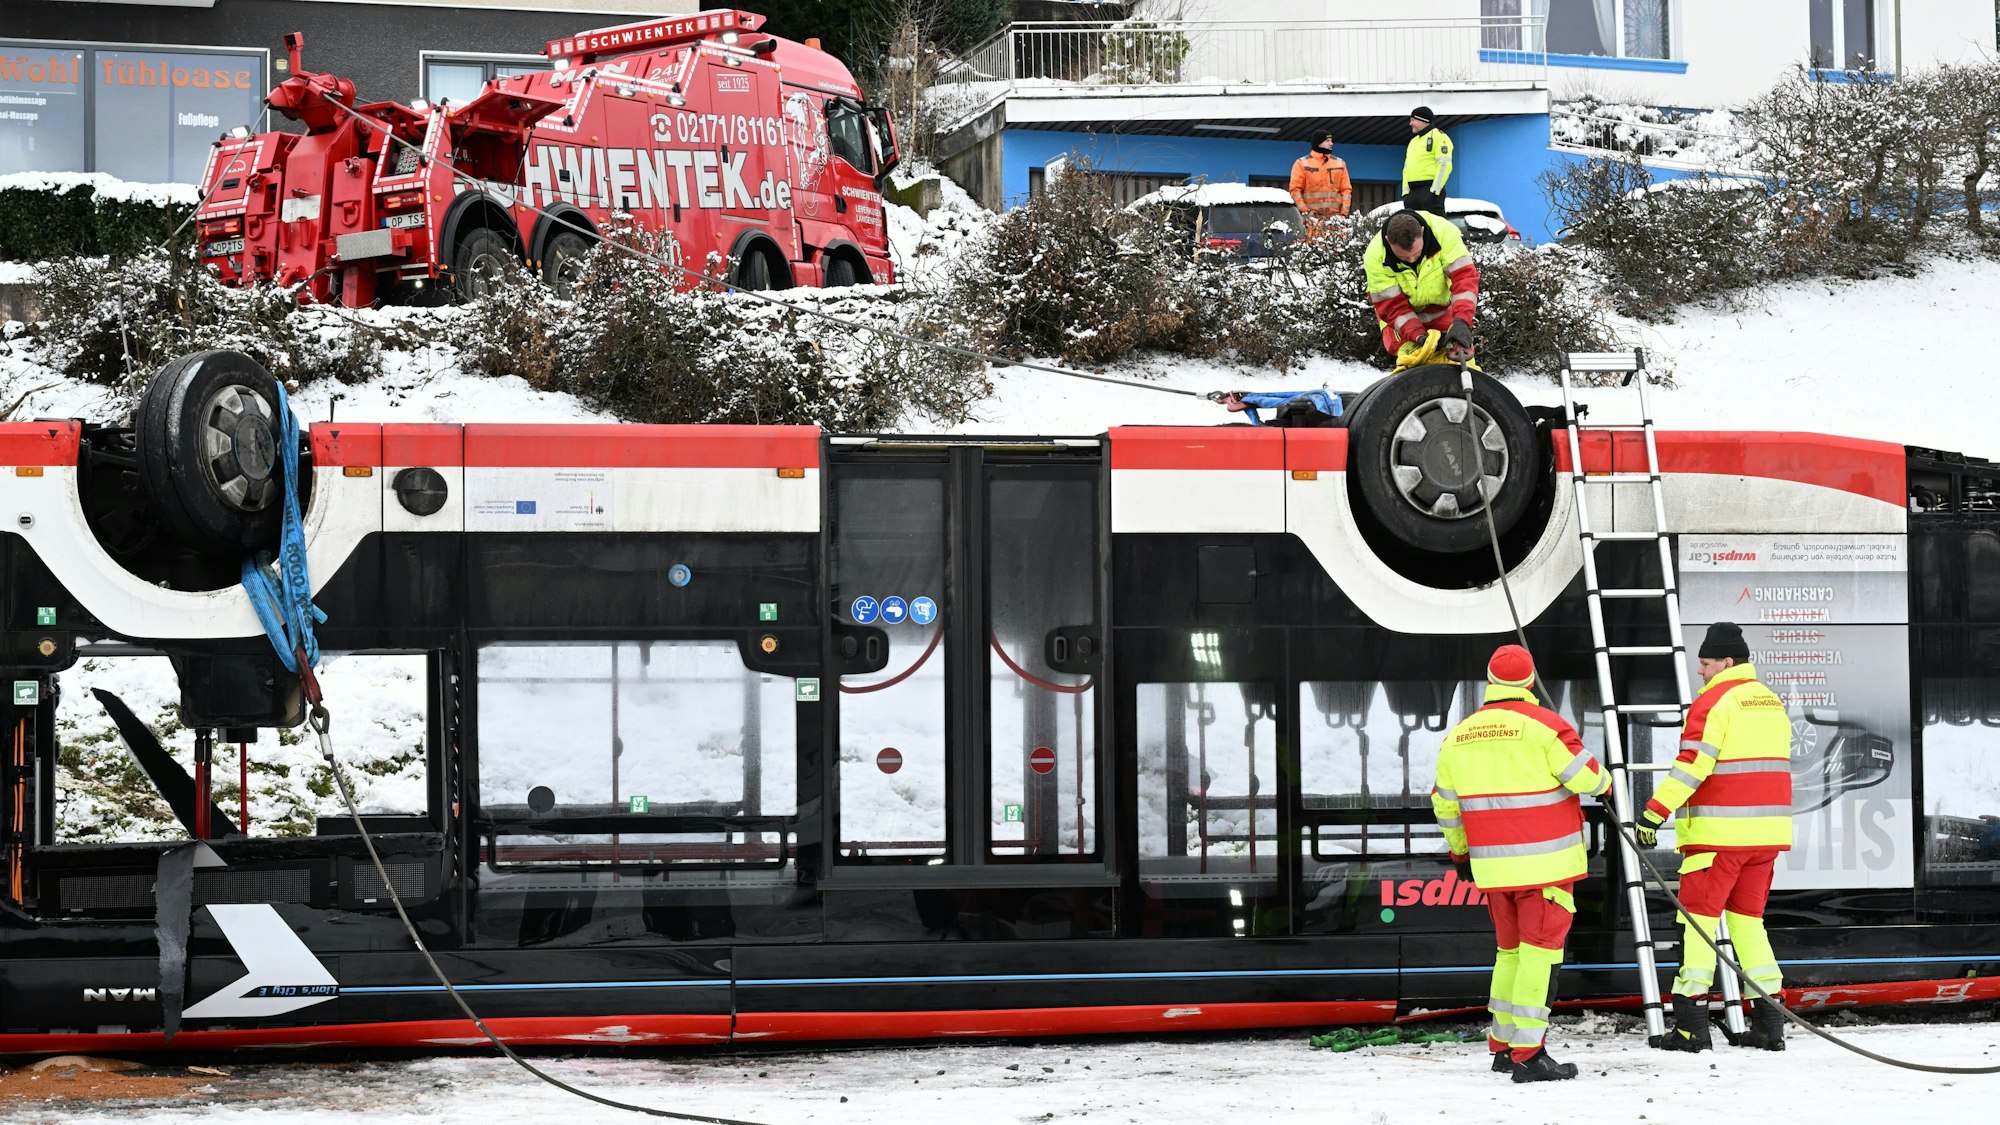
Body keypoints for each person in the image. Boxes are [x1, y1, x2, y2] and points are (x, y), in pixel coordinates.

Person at [1432, 644, 1615, 1082]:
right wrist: (1607, 785)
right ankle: (1530, 1056)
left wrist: (1460, 854)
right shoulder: (1546, 728)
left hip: (1495, 871)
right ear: (1531, 682)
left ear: (1490, 683)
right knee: (1539, 959)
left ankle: (1503, 1047)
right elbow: (1587, 777)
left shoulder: (1458, 736)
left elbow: (1445, 806)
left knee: (1509, 955)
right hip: (1545, 869)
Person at [1637, 621, 1794, 1053]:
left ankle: (1691, 1026)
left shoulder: (1715, 701)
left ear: (1727, 662)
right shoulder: (1770, 701)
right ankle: (1769, 1025)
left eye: (1705, 663)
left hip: (1719, 838)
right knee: (1749, 926)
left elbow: (1693, 765)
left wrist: (1653, 813)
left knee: (1699, 926)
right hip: (1765, 839)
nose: (1701, 672)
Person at [1363, 210, 1478, 370]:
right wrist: (1419, 338)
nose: (1411, 260)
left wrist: (1462, 322)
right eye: (1404, 257)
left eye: (1416, 253)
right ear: (1388, 241)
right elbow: (1392, 307)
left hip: (1441, 310)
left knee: (1463, 361)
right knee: (1412, 363)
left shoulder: (1445, 234)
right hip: (1401, 319)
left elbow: (1464, 279)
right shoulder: (1375, 257)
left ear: (1422, 232)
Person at [1289, 133, 1353, 221]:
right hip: (1312, 221)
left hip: (1335, 220)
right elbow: (1295, 190)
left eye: (1331, 141)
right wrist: (1306, 212)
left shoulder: (1340, 163)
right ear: (1318, 142)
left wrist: (1343, 214)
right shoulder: (1301, 163)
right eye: (1327, 141)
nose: (1331, 144)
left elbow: (1346, 190)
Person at [1402, 105, 1453, 216]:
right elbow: (1406, 168)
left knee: (1435, 229)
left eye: (1413, 120)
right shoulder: (1413, 142)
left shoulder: (1440, 137)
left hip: (1429, 191)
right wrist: (1406, 193)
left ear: (1423, 120)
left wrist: (1434, 191)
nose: (1410, 124)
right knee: (1412, 231)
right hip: (1412, 193)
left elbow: (1444, 165)